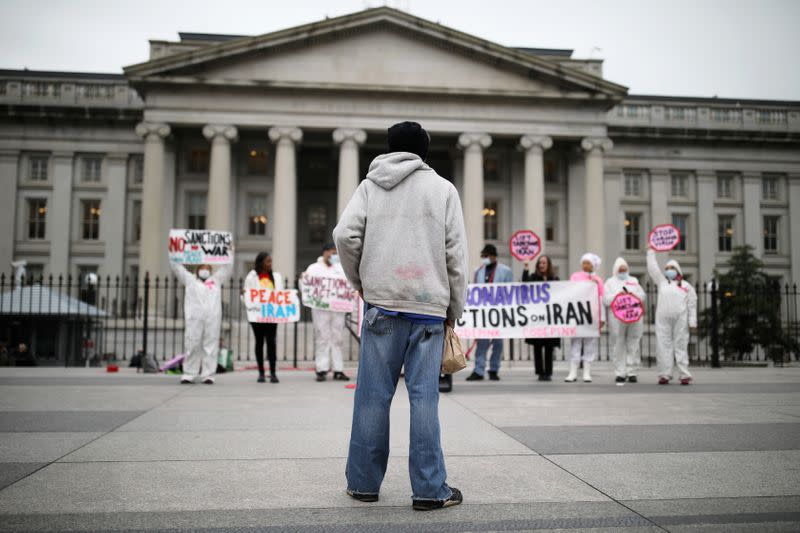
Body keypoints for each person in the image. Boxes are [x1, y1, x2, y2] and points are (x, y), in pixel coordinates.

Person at [334, 120, 467, 511]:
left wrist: (361, 281)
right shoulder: (443, 189)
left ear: (390, 149)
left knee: (373, 398)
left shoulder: (370, 186)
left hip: (382, 305)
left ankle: (362, 484)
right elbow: (456, 256)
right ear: (424, 151)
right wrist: (453, 309)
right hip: (428, 310)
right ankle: (429, 490)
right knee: (425, 399)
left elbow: (344, 236)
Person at [171, 259, 233, 384]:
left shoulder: (216, 280)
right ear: (198, 269)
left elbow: (227, 268)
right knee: (192, 344)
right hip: (194, 318)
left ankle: (208, 374)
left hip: (212, 318)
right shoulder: (190, 280)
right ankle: (189, 373)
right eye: (202, 267)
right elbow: (177, 268)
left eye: (207, 267)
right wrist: (173, 253)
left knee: (210, 345)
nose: (204, 270)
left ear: (210, 270)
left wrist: (230, 253)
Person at [647, 249, 697, 385]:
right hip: (663, 319)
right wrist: (650, 252)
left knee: (681, 345)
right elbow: (653, 268)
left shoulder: (687, 286)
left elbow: (692, 304)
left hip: (680, 319)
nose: (669, 270)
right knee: (663, 346)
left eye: (672, 268)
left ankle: (684, 374)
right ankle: (664, 374)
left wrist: (692, 322)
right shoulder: (662, 282)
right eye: (667, 268)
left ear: (678, 270)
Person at [465, 244, 513, 382]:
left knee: (498, 342)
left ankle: (493, 369)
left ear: (493, 256)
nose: (484, 258)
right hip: (483, 313)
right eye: (482, 256)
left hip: (499, 312)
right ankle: (479, 370)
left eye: (486, 256)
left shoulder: (505, 271)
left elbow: (510, 291)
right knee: (482, 342)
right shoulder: (478, 271)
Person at [304, 243, 350, 382]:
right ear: (324, 253)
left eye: (336, 253)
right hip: (321, 308)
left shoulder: (341, 269)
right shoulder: (313, 268)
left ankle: (338, 369)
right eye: (331, 253)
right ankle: (321, 368)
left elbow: (348, 284)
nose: (333, 256)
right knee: (322, 336)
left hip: (337, 308)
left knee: (338, 337)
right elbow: (307, 285)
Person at [603, 257, 646, 385]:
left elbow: (642, 296)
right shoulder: (610, 282)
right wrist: (618, 295)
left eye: (624, 269)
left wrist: (633, 295)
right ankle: (620, 372)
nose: (623, 271)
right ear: (615, 270)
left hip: (634, 316)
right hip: (617, 318)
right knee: (618, 343)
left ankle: (632, 372)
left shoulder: (634, 281)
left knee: (634, 342)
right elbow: (605, 300)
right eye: (620, 270)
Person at [242, 252, 284, 383]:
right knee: (259, 343)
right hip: (257, 316)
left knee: (271, 343)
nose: (270, 264)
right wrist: (244, 296)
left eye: (271, 261)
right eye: (268, 261)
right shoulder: (252, 277)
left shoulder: (276, 277)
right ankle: (261, 372)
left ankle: (272, 373)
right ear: (260, 263)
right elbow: (247, 295)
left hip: (271, 315)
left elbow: (280, 294)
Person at [566, 253, 604, 383]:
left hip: (592, 316)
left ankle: (587, 372)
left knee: (590, 343)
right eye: (584, 262)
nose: (585, 265)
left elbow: (601, 299)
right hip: (578, 314)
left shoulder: (598, 280)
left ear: (593, 265)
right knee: (575, 342)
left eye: (588, 263)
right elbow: (571, 291)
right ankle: (573, 372)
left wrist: (602, 317)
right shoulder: (575, 276)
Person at [522, 255, 560, 381]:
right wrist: (526, 269)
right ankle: (540, 372)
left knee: (549, 347)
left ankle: (548, 372)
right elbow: (525, 286)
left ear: (548, 264)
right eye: (540, 263)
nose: (542, 265)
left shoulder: (554, 279)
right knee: (537, 347)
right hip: (537, 318)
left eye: (544, 263)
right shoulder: (533, 277)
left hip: (550, 319)